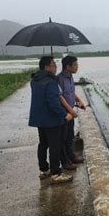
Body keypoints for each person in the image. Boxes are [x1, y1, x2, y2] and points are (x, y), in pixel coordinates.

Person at [28, 56, 73, 184]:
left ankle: (44, 170)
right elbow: (53, 103)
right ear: (47, 67)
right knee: (55, 146)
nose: (56, 67)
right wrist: (65, 115)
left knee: (43, 144)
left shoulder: (35, 80)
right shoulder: (51, 82)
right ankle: (56, 173)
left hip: (39, 120)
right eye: (53, 64)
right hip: (51, 120)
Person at [57, 55, 86, 170]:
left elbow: (71, 91)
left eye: (77, 64)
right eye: (75, 65)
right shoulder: (59, 79)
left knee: (69, 136)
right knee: (62, 138)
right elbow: (59, 97)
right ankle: (65, 162)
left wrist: (79, 100)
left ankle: (71, 156)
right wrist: (70, 110)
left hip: (71, 112)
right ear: (67, 66)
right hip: (64, 113)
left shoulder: (70, 77)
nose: (77, 67)